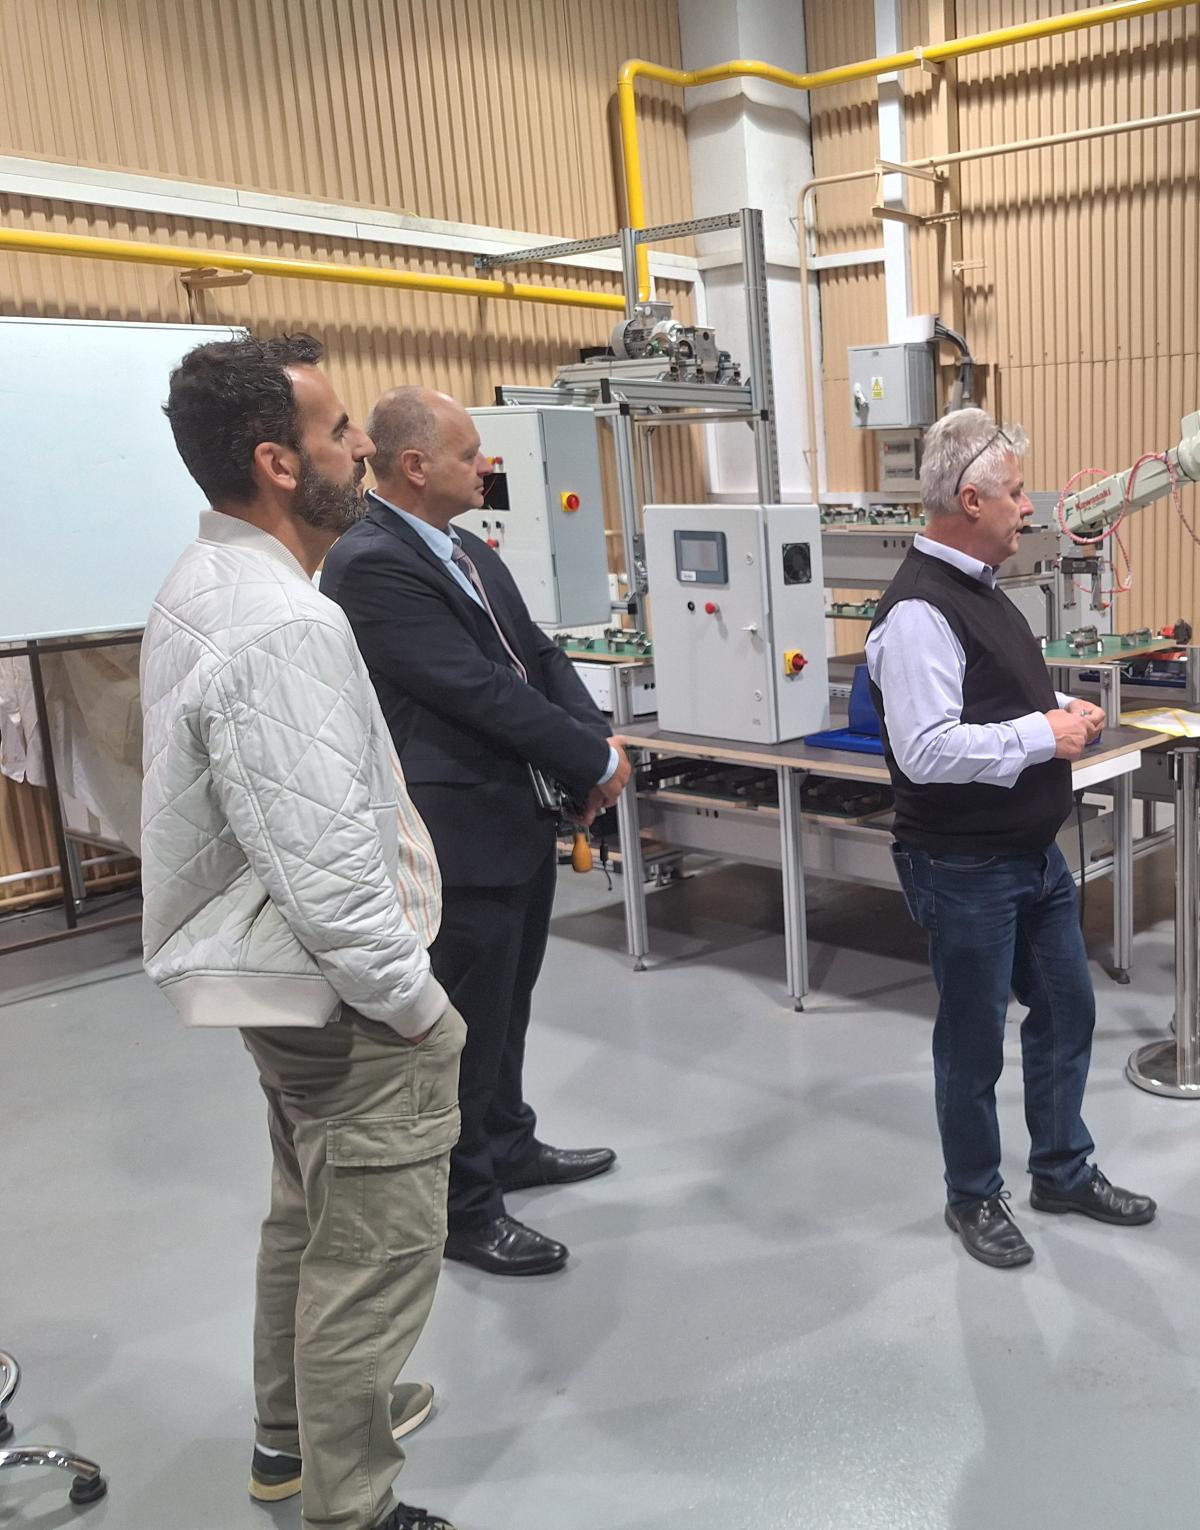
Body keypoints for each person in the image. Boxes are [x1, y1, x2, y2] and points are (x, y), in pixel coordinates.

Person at [142, 336, 463, 1530]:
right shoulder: (287, 625)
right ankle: (352, 1503)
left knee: (309, 1214)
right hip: (345, 1001)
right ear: (278, 464)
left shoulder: (203, 581)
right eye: (338, 434)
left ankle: (294, 1440)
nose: (364, 446)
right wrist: (417, 1009)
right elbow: (329, 871)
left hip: (275, 989)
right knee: (370, 1264)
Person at [321, 388, 628, 1278]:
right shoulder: (369, 564)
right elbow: (476, 691)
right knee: (462, 1028)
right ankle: (465, 1208)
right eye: (469, 453)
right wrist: (588, 758)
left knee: (508, 1007)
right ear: (416, 466)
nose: (485, 466)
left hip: (518, 816)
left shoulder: (465, 550)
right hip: (457, 835)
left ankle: (509, 1144)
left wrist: (596, 749)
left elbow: (539, 656)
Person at [866, 408, 1155, 1269]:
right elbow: (925, 750)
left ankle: (1061, 1170)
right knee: (973, 1039)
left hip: (1030, 856)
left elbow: (989, 702)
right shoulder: (918, 611)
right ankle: (973, 1196)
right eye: (1018, 494)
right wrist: (1043, 736)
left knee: (1066, 1010)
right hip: (963, 866)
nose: (1030, 508)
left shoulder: (983, 591)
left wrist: (1057, 710)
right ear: (971, 499)